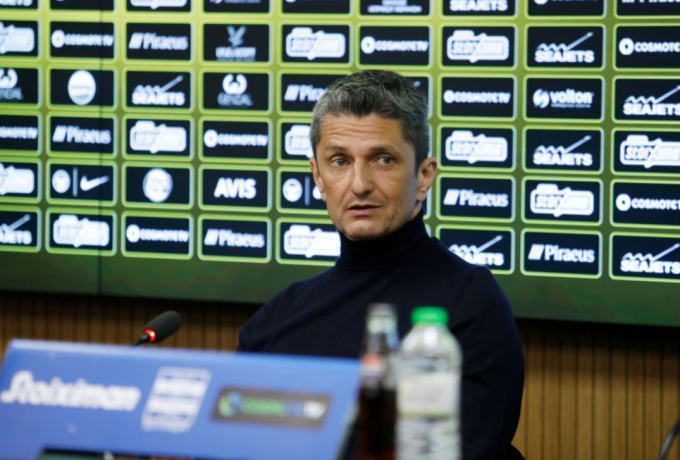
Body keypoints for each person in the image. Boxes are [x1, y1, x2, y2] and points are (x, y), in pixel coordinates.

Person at [237, 70, 525, 460]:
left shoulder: (470, 302)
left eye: (383, 159)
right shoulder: (277, 318)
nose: (359, 184)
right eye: (339, 161)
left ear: (424, 176)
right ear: (317, 176)